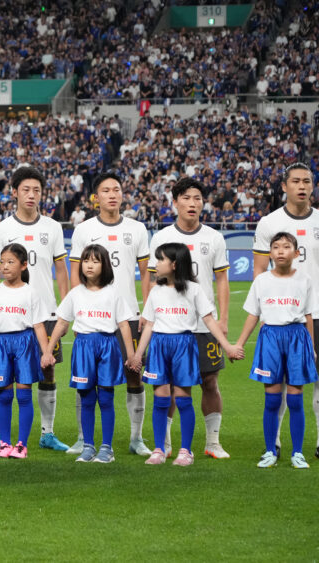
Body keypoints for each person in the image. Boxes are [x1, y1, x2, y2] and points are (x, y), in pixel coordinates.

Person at [252, 162, 319, 462]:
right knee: (278, 381)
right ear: (284, 186)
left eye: (307, 181)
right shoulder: (268, 223)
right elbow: (259, 270)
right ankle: (276, 443)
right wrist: (263, 311)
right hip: (282, 317)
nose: (302, 186)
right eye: (296, 181)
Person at [131, 243, 242, 467]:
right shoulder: (156, 291)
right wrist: (138, 354)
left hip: (184, 345)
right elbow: (150, 325)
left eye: (160, 260)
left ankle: (185, 451)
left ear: (173, 264)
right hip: (160, 347)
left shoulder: (193, 289)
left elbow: (209, 320)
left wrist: (227, 346)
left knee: (182, 399)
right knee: (161, 399)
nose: (156, 264)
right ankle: (160, 449)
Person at [0, 165, 70, 453]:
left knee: (47, 372)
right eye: (26, 190)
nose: (32, 195)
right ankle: (0, 434)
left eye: (36, 190)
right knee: (4, 376)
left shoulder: (53, 227)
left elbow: (61, 269)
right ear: (14, 193)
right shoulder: (2, 229)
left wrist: (65, 308)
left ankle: (47, 432)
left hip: (44, 314)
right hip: (9, 315)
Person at [147, 177, 231, 458]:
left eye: (197, 198)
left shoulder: (214, 238)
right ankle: (166, 444)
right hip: (170, 326)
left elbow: (222, 280)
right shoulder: (160, 238)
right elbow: (151, 280)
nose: (193, 203)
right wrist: (150, 317)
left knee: (209, 382)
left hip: (203, 324)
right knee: (168, 385)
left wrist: (224, 319)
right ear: (175, 203)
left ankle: (212, 442)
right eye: (186, 198)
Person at [68, 172, 151, 457]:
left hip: (128, 315)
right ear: (96, 197)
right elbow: (77, 273)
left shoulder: (138, 229)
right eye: (106, 190)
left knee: (133, 374)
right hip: (93, 318)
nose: (113, 194)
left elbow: (145, 273)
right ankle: (84, 438)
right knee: (87, 380)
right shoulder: (83, 230)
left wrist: (147, 309)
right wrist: (80, 314)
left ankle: (136, 437)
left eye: (117, 189)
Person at [46, 245, 136, 464]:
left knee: (106, 398)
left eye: (95, 261)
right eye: (86, 260)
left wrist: (132, 355)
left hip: (107, 345)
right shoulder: (75, 293)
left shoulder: (113, 293)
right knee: (86, 398)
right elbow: (62, 323)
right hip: (83, 346)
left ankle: (107, 448)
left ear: (105, 265)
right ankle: (88, 446)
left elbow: (124, 325)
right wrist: (48, 350)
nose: (89, 265)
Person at [237, 232, 317, 469]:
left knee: (295, 399)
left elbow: (309, 316)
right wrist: (240, 343)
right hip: (270, 338)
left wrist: (311, 347)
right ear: (270, 252)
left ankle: (298, 453)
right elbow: (253, 315)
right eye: (276, 247)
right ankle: (270, 450)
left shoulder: (305, 280)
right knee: (272, 399)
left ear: (296, 253)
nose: (281, 251)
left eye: (286, 246)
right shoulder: (261, 281)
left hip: (296, 338)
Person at [0, 244, 51, 459]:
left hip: (25, 343)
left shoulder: (31, 292)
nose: (4, 267)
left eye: (11, 262)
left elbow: (39, 326)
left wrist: (46, 352)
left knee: (24, 395)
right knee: (4, 395)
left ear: (24, 265)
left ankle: (21, 445)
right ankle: (4, 443)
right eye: (2, 262)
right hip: (0, 344)